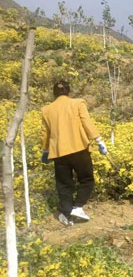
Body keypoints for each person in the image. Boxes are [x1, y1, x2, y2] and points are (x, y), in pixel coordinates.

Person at [41, 80, 108, 226]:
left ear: (54, 94)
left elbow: (45, 132)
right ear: (69, 92)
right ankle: (78, 207)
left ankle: (66, 214)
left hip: (58, 152)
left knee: (64, 184)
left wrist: (45, 150)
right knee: (87, 180)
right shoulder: (78, 103)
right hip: (79, 149)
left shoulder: (46, 110)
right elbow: (87, 123)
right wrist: (99, 140)